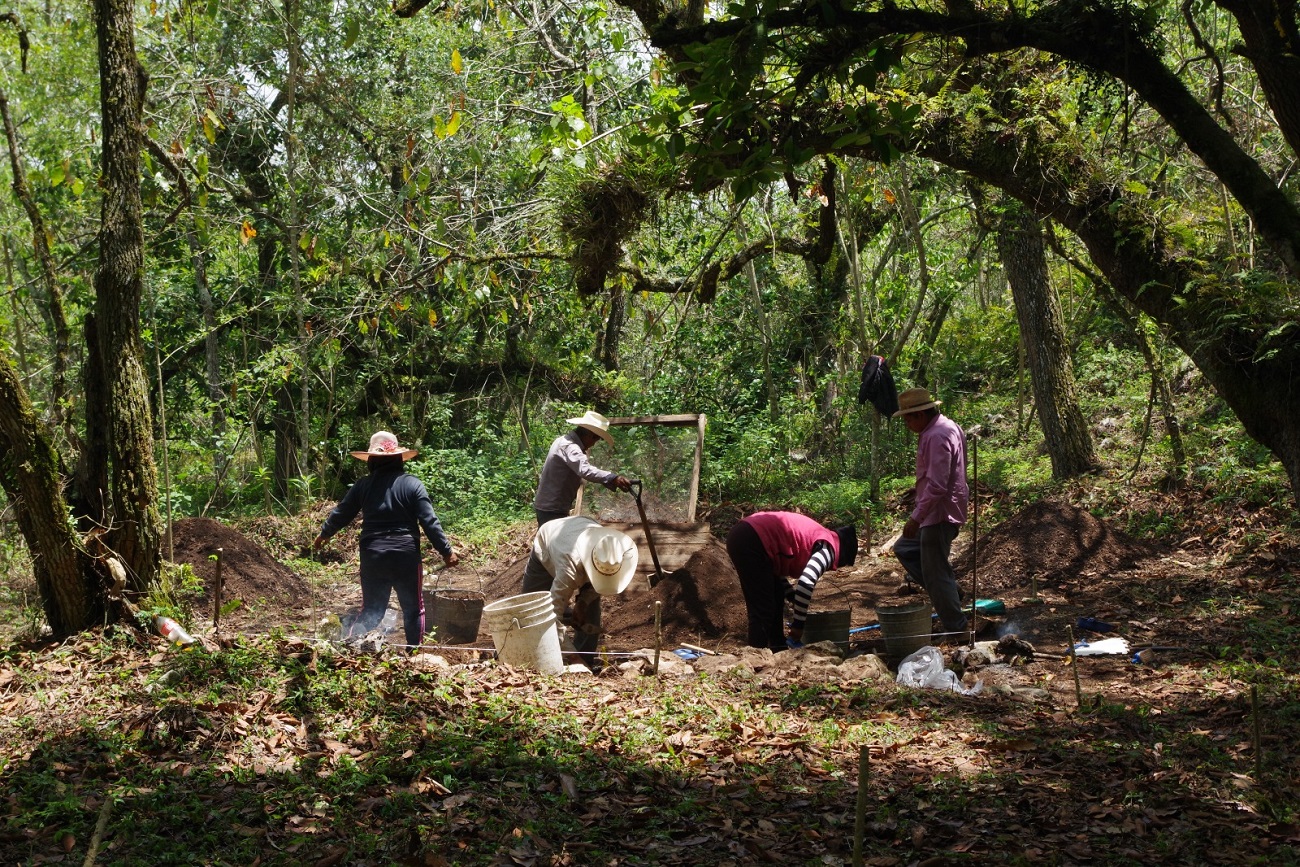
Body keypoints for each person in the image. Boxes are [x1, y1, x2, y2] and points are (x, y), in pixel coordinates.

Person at [313, 431, 459, 649]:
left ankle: (349, 648)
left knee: (372, 610)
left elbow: (342, 512)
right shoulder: (413, 484)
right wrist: (446, 552)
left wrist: (325, 533)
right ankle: (414, 656)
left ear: (372, 460)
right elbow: (429, 521)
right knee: (413, 609)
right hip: (405, 556)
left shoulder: (363, 485)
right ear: (398, 458)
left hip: (373, 555)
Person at [891, 387, 970, 639]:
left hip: (938, 513)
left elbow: (937, 485)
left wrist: (916, 517)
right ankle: (950, 593)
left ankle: (957, 629)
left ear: (921, 414)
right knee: (905, 548)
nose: (907, 425)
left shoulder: (937, 435)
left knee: (935, 574)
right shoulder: (946, 427)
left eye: (909, 419)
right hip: (939, 511)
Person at [725, 511, 857, 651]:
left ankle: (777, 648)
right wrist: (798, 626)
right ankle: (755, 655)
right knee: (762, 609)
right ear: (842, 556)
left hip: (747, 535)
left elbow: (776, 567)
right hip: (751, 539)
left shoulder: (820, 537)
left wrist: (790, 595)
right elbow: (806, 582)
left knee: (777, 595)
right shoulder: (828, 548)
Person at [520, 515, 638, 665]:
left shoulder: (611, 554)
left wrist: (583, 603)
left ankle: (586, 659)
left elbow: (605, 581)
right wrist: (572, 656)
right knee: (529, 609)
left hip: (578, 529)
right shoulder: (569, 570)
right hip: (548, 542)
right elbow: (552, 615)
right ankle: (530, 659)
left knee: (591, 610)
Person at [533, 410, 633, 527]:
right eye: (595, 439)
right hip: (552, 509)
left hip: (552, 506)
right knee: (553, 538)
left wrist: (607, 480)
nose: (593, 444)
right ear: (589, 435)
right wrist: (613, 478)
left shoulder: (563, 440)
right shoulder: (570, 447)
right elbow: (585, 470)